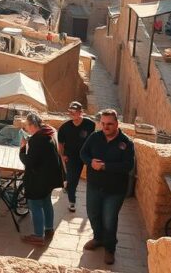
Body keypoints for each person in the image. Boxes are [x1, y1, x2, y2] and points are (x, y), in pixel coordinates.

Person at [80, 109, 135, 266]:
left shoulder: (126, 143)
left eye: (109, 124)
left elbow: (128, 166)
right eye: (103, 123)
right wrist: (90, 162)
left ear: (117, 123)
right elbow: (83, 153)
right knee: (93, 214)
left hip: (115, 190)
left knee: (109, 220)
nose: (106, 127)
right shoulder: (94, 137)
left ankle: (110, 248)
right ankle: (98, 238)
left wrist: (105, 167)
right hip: (94, 186)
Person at [19, 113, 64, 245]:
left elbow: (29, 162)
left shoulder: (38, 140)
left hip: (39, 179)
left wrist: (22, 149)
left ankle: (39, 236)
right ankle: (49, 229)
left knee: (35, 205)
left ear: (33, 125)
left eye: (27, 126)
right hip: (49, 177)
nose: (26, 128)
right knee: (46, 202)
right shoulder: (49, 132)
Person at [57, 101, 97, 213]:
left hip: (86, 156)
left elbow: (93, 140)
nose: (72, 113)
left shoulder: (90, 125)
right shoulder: (64, 127)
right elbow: (60, 144)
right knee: (73, 179)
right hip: (71, 156)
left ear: (81, 112)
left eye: (74, 111)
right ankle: (72, 202)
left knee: (80, 177)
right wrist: (63, 155)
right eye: (70, 111)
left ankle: (68, 186)